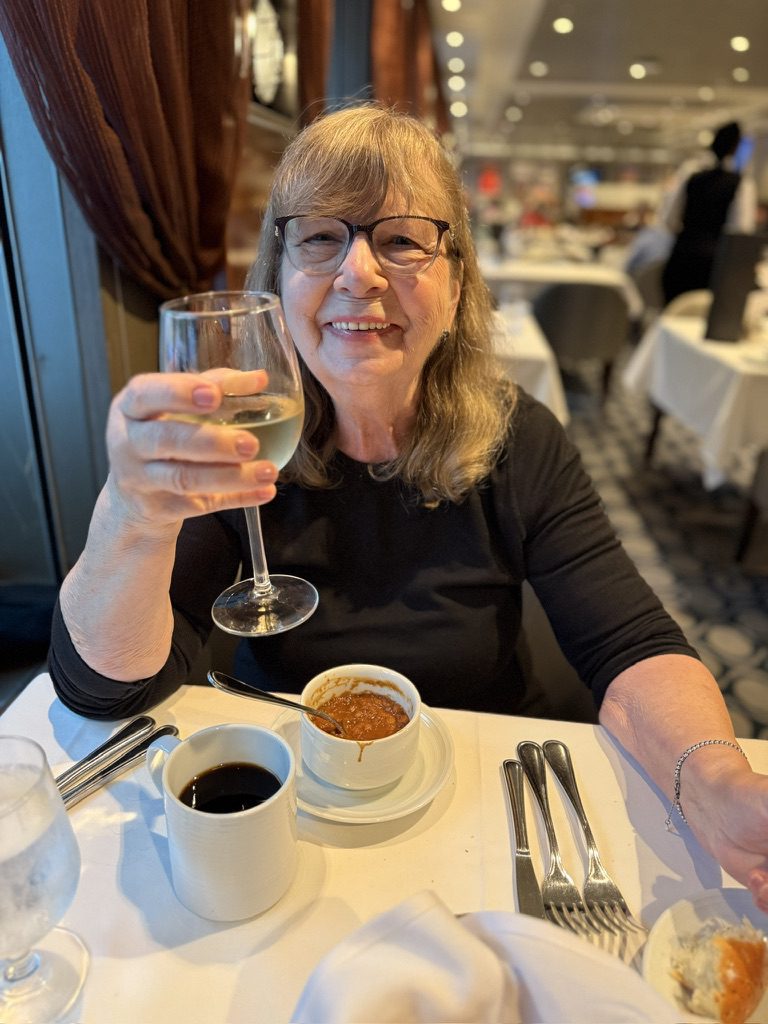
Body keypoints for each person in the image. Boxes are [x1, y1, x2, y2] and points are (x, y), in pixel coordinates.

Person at [50, 104, 768, 910]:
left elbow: (630, 642)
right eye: (320, 237)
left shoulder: (521, 437)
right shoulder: (232, 448)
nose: (358, 273)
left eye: (400, 240)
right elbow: (102, 693)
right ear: (278, 279)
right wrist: (132, 514)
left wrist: (716, 780)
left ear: (456, 283)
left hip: (488, 818)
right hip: (293, 826)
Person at [661, 121, 757, 304]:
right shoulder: (741, 184)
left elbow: (669, 221)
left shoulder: (690, 175)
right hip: (716, 267)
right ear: (735, 148)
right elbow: (741, 231)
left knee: (673, 316)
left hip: (681, 259)